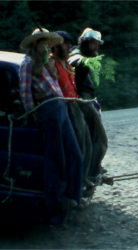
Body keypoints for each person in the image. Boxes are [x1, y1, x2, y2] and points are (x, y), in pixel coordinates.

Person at [19, 28, 84, 223]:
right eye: (43, 42)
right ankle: (55, 205)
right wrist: (34, 113)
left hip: (60, 106)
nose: (48, 46)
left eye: (49, 42)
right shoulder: (28, 63)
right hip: (49, 110)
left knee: (75, 154)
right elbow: (25, 92)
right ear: (35, 44)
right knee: (56, 158)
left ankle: (74, 198)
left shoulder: (46, 63)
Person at [49, 31, 95, 191]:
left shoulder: (66, 64)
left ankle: (83, 178)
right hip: (65, 107)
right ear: (55, 46)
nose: (69, 47)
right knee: (77, 148)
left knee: (87, 143)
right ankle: (75, 186)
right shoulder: (51, 63)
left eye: (70, 43)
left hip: (74, 103)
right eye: (65, 44)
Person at [68, 28, 108, 183]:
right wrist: (84, 61)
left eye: (97, 44)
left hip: (87, 99)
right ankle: (92, 172)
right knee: (99, 138)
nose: (96, 47)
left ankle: (93, 167)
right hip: (81, 101)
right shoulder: (77, 54)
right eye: (93, 44)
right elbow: (74, 60)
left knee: (92, 138)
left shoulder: (84, 54)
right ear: (85, 42)